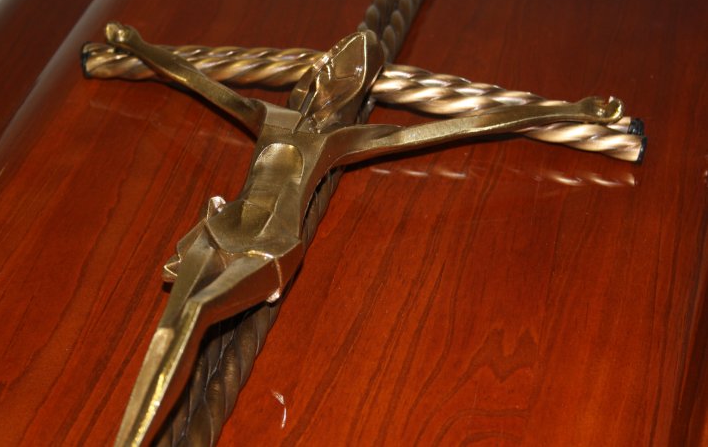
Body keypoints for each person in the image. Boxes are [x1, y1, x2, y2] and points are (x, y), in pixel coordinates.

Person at [102, 22, 623, 446]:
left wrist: (572, 110)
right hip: (224, 226)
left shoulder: (341, 139)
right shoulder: (270, 115)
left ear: (355, 90)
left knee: (196, 313)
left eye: (348, 73)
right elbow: (198, 79)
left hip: (271, 245)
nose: (330, 75)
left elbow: (462, 125)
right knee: (169, 326)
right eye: (331, 63)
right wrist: (137, 44)